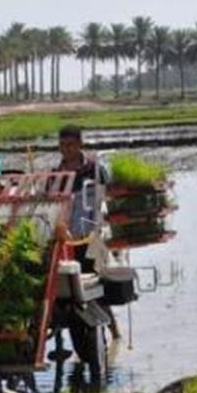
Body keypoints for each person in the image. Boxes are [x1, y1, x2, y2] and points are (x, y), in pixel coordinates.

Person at [56, 124, 120, 339]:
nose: (66, 149)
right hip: (68, 241)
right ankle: (85, 340)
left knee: (98, 289)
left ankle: (115, 334)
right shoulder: (57, 175)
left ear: (79, 144)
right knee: (72, 293)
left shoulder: (95, 170)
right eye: (62, 145)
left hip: (94, 237)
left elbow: (107, 200)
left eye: (70, 145)